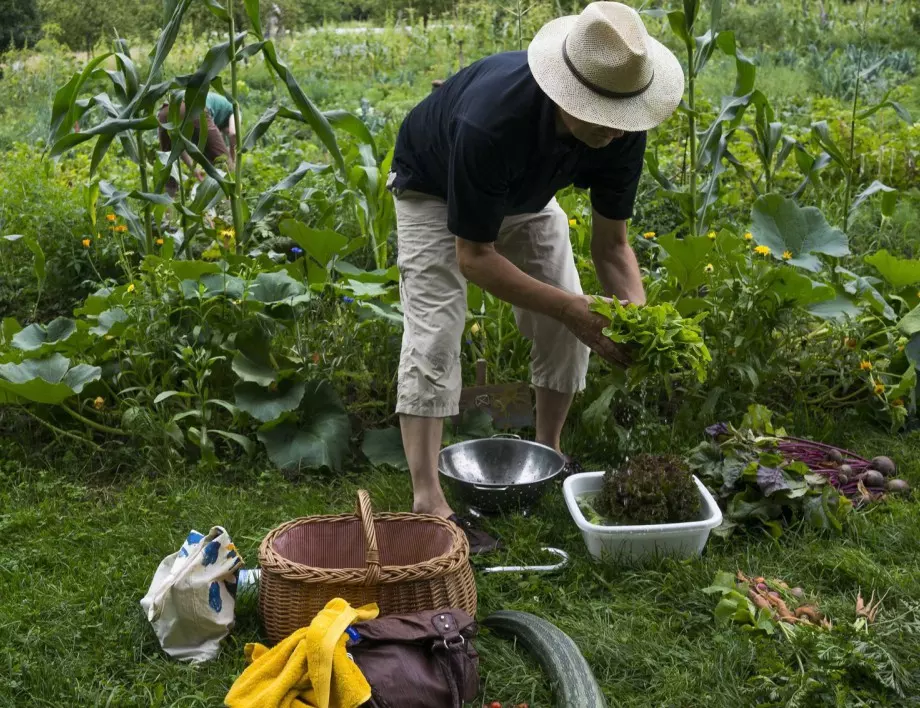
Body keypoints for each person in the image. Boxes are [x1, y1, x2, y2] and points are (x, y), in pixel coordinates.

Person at [388, 1, 683, 552]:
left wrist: (638, 319)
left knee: (573, 320)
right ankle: (428, 499)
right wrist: (572, 308)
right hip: (433, 190)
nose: (610, 131)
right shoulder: (492, 120)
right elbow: (474, 256)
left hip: (526, 197)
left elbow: (612, 246)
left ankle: (549, 454)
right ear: (561, 92)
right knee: (436, 331)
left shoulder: (621, 127)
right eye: (595, 114)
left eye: (618, 119)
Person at [156, 92, 238, 197]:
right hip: (193, 107)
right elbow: (233, 133)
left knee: (168, 166)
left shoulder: (217, 107)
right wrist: (233, 159)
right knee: (226, 168)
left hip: (165, 111)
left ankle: (167, 209)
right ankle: (230, 208)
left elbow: (177, 147)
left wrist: (193, 169)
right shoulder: (234, 108)